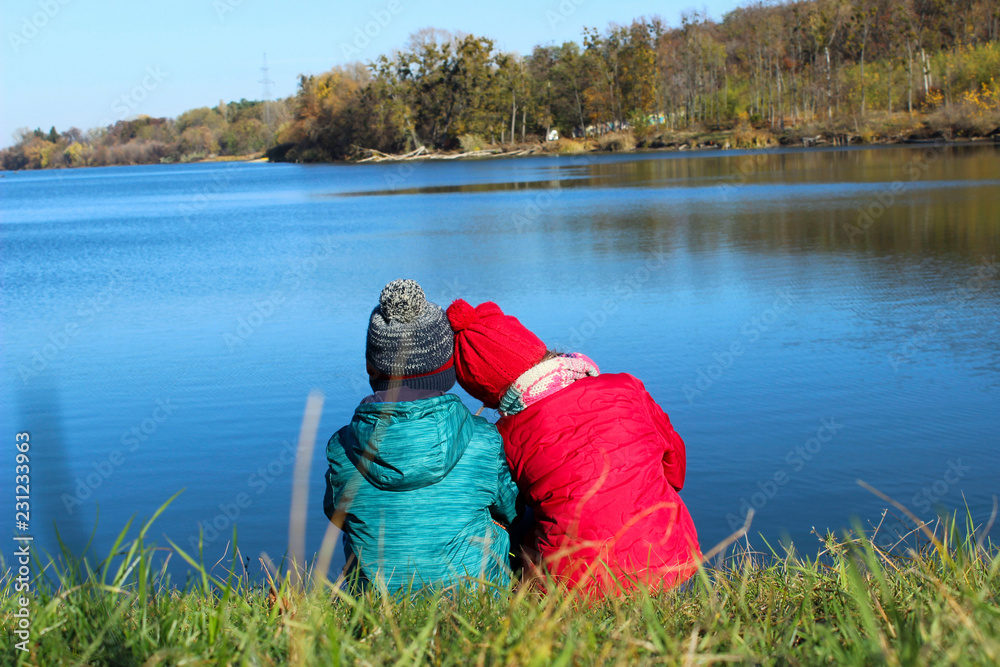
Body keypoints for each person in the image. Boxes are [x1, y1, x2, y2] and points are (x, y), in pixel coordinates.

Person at [446, 299, 700, 596]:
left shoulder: (506, 435)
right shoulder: (626, 387)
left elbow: (513, 513)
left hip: (574, 590)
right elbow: (675, 464)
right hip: (670, 561)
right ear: (535, 347)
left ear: (487, 396)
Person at [323, 280, 519, 593]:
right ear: (448, 366)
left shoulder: (342, 447)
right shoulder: (482, 438)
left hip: (378, 609)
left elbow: (336, 516)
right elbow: (511, 510)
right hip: (477, 599)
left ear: (371, 368)